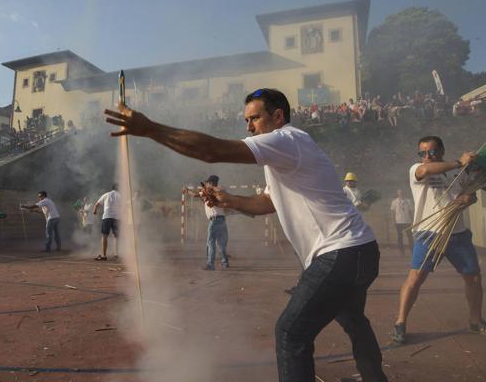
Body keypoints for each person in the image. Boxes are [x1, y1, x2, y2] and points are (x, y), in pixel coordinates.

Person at [105, 88, 388, 382]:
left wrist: (149, 128)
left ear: (278, 116)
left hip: (338, 253)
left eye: (254, 118)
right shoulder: (286, 154)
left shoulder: (287, 139)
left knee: (290, 333)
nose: (248, 127)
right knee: (354, 321)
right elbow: (267, 203)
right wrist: (227, 199)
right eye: (246, 120)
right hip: (361, 250)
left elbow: (211, 152)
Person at [392, 136, 486, 344]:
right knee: (415, 278)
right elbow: (426, 171)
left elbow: (469, 195)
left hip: (457, 233)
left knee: (474, 278)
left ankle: (475, 321)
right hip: (428, 232)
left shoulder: (458, 172)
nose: (426, 157)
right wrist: (459, 162)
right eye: (422, 153)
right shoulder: (417, 169)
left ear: (441, 150)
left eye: (432, 152)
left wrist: (467, 200)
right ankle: (400, 322)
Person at [186, 175, 230, 270]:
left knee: (211, 242)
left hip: (214, 220)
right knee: (221, 243)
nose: (206, 184)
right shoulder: (220, 191)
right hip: (222, 219)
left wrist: (186, 190)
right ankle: (225, 263)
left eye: (207, 183)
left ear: (210, 183)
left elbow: (194, 195)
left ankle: (210, 265)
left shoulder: (209, 190)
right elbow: (208, 200)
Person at [93, 183, 121, 261]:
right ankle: (116, 254)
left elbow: (97, 204)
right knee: (116, 236)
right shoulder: (120, 195)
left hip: (107, 216)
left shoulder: (106, 194)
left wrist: (94, 211)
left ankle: (103, 255)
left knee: (105, 235)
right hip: (117, 217)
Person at [390, 190, 413, 256]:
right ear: (397, 193)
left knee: (410, 236)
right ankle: (402, 252)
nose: (401, 194)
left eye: (402, 192)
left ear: (404, 193)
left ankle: (412, 250)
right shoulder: (394, 202)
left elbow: (410, 211)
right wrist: (393, 221)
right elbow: (393, 212)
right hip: (398, 222)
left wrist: (412, 220)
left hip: (407, 221)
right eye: (399, 192)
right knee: (400, 237)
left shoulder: (408, 201)